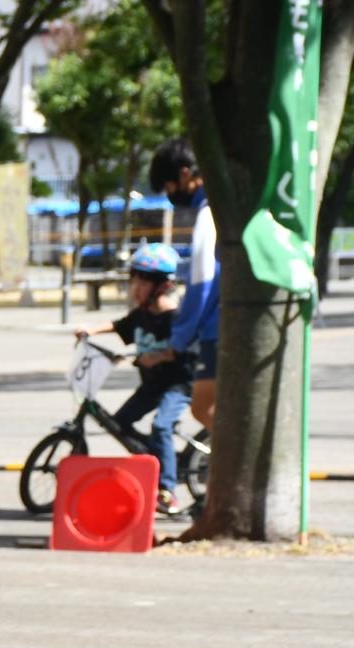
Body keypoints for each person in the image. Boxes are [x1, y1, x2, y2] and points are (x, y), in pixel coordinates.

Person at [74, 243, 194, 517]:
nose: (135, 289)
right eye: (133, 281)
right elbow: (119, 326)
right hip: (151, 385)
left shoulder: (174, 317)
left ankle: (168, 491)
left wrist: (160, 356)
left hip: (177, 385)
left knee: (162, 426)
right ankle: (158, 457)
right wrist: (90, 330)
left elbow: (185, 348)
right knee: (120, 423)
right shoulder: (141, 315)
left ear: (162, 286)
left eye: (143, 282)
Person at [150, 139, 218, 439]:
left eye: (168, 187)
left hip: (218, 329)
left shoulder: (208, 214)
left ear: (185, 174)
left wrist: (179, 339)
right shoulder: (219, 209)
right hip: (222, 326)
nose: (170, 196)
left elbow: (202, 280)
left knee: (205, 407)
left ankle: (245, 471)